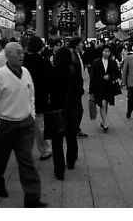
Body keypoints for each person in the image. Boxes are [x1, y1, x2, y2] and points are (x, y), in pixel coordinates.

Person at [0, 42, 47, 208]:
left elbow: (31, 95)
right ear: (7, 55)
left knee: (27, 161)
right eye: (17, 53)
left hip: (25, 125)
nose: (22, 55)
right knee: (0, 160)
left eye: (22, 52)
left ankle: (32, 198)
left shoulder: (26, 72)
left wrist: (31, 114)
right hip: (5, 125)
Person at [45, 47, 81, 179]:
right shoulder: (74, 71)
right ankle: (71, 161)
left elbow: (47, 90)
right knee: (71, 137)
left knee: (57, 141)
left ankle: (59, 170)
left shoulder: (51, 71)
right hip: (71, 109)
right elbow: (80, 91)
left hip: (55, 109)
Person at [22, 36, 53, 160]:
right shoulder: (44, 61)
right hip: (40, 97)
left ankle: (23, 151)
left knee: (22, 125)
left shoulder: (22, 60)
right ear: (40, 47)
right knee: (39, 125)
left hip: (23, 96)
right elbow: (50, 81)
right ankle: (45, 149)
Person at [89, 46, 120, 132]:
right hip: (99, 86)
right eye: (105, 51)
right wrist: (91, 90)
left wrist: (109, 76)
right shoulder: (96, 62)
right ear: (102, 52)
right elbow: (92, 77)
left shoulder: (113, 62)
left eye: (108, 51)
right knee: (102, 103)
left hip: (109, 86)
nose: (107, 53)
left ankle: (103, 121)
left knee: (105, 104)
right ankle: (105, 123)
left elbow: (117, 73)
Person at [68, 37, 87, 138]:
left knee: (78, 110)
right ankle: (74, 129)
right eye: (81, 43)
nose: (82, 44)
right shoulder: (72, 55)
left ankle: (76, 128)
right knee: (77, 110)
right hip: (74, 87)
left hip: (78, 85)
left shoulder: (78, 54)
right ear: (76, 45)